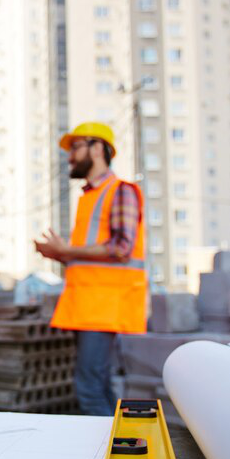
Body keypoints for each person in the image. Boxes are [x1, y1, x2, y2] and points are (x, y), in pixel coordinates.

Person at [33, 122, 146, 416]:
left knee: (89, 387)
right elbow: (89, 257)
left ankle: (105, 458)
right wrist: (60, 255)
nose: (70, 157)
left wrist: (66, 250)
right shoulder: (90, 197)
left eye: (76, 148)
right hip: (89, 305)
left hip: (104, 305)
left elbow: (121, 248)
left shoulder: (120, 191)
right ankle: (114, 450)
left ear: (97, 148)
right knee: (99, 384)